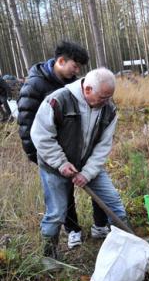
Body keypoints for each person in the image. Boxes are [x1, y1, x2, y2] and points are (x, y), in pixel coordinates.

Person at [17, 41, 108, 249]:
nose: (77, 71)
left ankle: (100, 226)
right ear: (61, 61)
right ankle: (73, 230)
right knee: (63, 198)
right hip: (50, 154)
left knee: (94, 182)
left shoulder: (74, 85)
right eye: (74, 66)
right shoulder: (35, 85)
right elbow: (27, 124)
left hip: (76, 152)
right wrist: (40, 157)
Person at [31, 68, 128, 259]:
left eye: (109, 97)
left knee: (114, 204)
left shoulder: (109, 109)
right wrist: (61, 163)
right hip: (54, 166)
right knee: (57, 212)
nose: (106, 101)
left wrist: (88, 173)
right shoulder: (58, 101)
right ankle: (48, 257)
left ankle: (127, 244)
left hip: (88, 165)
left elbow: (103, 145)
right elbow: (41, 136)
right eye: (102, 97)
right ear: (88, 89)